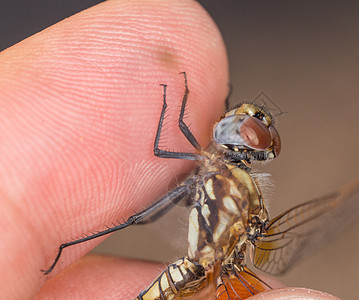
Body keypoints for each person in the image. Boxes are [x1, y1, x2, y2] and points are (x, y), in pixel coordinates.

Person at [0, 1, 338, 299]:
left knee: (134, 216)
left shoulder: (216, 172)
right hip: (209, 266)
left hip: (199, 269)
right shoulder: (232, 181)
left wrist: (172, 103)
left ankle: (63, 246)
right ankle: (60, 247)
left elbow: (165, 145)